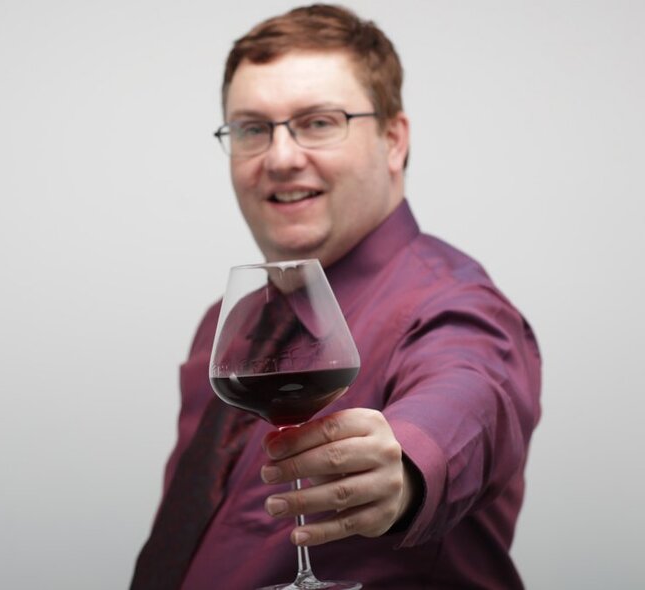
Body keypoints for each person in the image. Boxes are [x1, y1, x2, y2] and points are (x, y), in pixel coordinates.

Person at [132, 4, 541, 589]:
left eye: (319, 122)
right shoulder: (229, 326)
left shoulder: (454, 305)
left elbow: (473, 396)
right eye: (252, 128)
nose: (279, 157)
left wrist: (403, 467)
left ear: (394, 140)